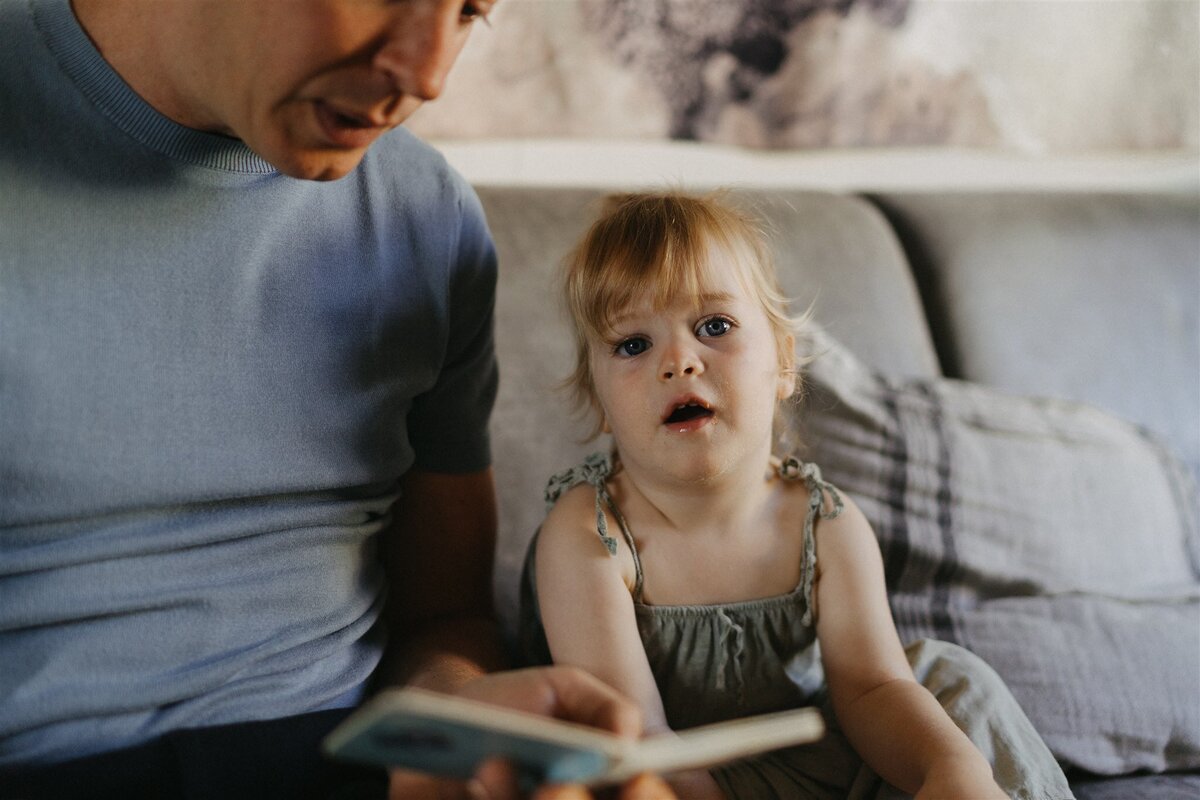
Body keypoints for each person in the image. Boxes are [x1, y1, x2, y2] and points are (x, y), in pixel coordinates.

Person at [0, 1, 675, 798]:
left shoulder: (428, 219)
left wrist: (455, 734)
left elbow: (443, 619)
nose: (428, 73)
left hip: (350, 763)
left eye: (468, 12)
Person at [518, 192, 1077, 799]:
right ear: (600, 402)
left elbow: (871, 691)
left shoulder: (824, 523)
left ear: (785, 363)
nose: (678, 361)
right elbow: (636, 741)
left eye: (714, 326)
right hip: (679, 783)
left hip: (829, 766)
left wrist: (951, 768)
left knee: (953, 682)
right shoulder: (591, 537)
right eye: (633, 344)